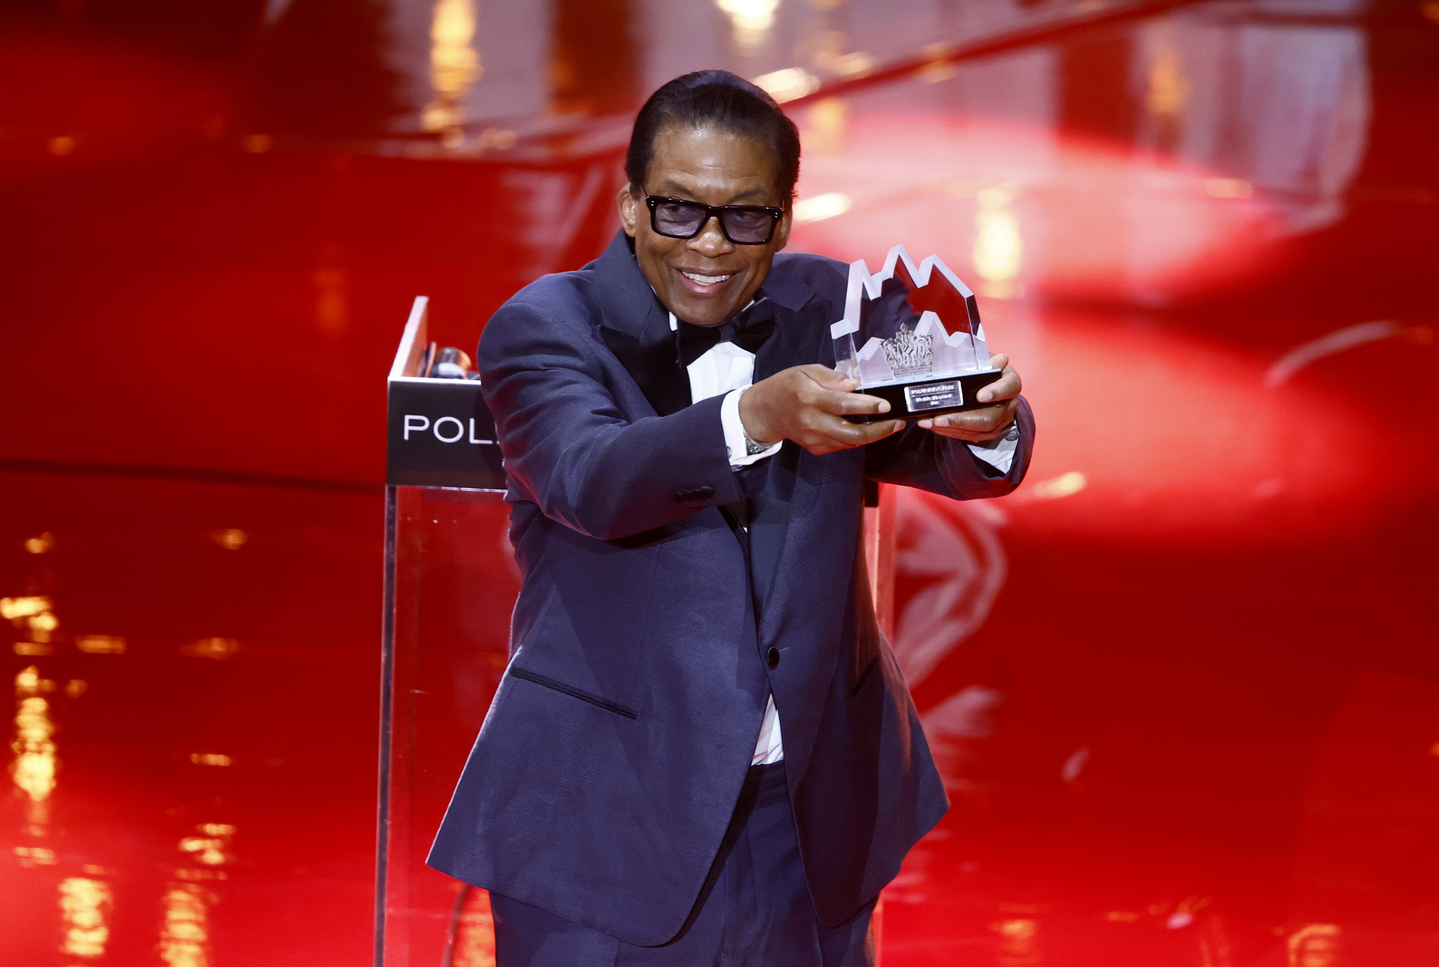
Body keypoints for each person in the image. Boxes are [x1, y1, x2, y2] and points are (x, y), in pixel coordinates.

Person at [428, 70, 1034, 967]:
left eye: (744, 217)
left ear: (782, 221)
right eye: (679, 210)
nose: (708, 244)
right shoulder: (544, 327)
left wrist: (984, 422)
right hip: (606, 824)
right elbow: (589, 479)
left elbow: (957, 447)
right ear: (631, 205)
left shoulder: (833, 309)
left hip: (809, 815)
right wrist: (754, 416)